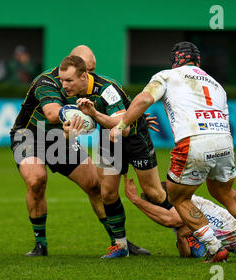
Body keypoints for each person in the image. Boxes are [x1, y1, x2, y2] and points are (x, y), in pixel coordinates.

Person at [110, 41, 236, 263]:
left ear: (175, 60)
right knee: (225, 191)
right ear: (197, 61)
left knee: (179, 197)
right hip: (224, 140)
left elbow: (144, 99)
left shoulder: (167, 75)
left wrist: (122, 126)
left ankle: (215, 248)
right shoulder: (217, 84)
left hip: (194, 140)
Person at [10, 54, 149, 257]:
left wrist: (138, 119)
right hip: (30, 135)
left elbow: (109, 111)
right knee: (36, 180)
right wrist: (70, 118)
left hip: (59, 137)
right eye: (88, 70)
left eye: (92, 71)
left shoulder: (85, 87)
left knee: (95, 186)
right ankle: (40, 244)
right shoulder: (46, 81)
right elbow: (50, 113)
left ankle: (119, 242)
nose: (91, 76)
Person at [59, 56, 170, 258]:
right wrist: (68, 131)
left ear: (84, 76)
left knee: (154, 193)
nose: (64, 85)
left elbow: (121, 127)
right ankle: (121, 246)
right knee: (108, 193)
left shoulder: (106, 89)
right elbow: (73, 124)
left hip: (133, 136)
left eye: (69, 80)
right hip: (107, 138)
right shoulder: (69, 92)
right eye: (62, 80)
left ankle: (190, 232)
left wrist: (93, 114)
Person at [124, 177, 236, 258]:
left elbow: (170, 220)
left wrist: (136, 200)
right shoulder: (184, 214)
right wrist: (181, 238)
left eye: (156, 203)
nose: (156, 208)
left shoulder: (184, 203)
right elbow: (186, 255)